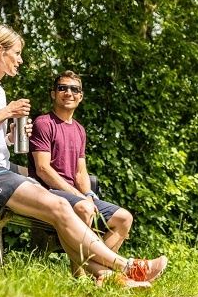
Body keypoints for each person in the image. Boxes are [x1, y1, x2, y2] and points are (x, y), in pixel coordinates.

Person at [0, 24, 167, 286]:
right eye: (16, 53)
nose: (20, 59)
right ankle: (129, 267)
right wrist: (8, 112)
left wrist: (9, 138)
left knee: (62, 208)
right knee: (63, 206)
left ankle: (107, 276)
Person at [28, 71, 132, 254]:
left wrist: (89, 194)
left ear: (80, 96)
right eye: (63, 88)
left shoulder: (79, 130)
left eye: (74, 89)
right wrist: (78, 195)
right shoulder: (43, 123)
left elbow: (80, 172)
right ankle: (81, 270)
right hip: (46, 193)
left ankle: (100, 268)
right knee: (84, 208)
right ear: (53, 94)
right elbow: (43, 169)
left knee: (124, 218)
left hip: (74, 196)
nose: (69, 93)